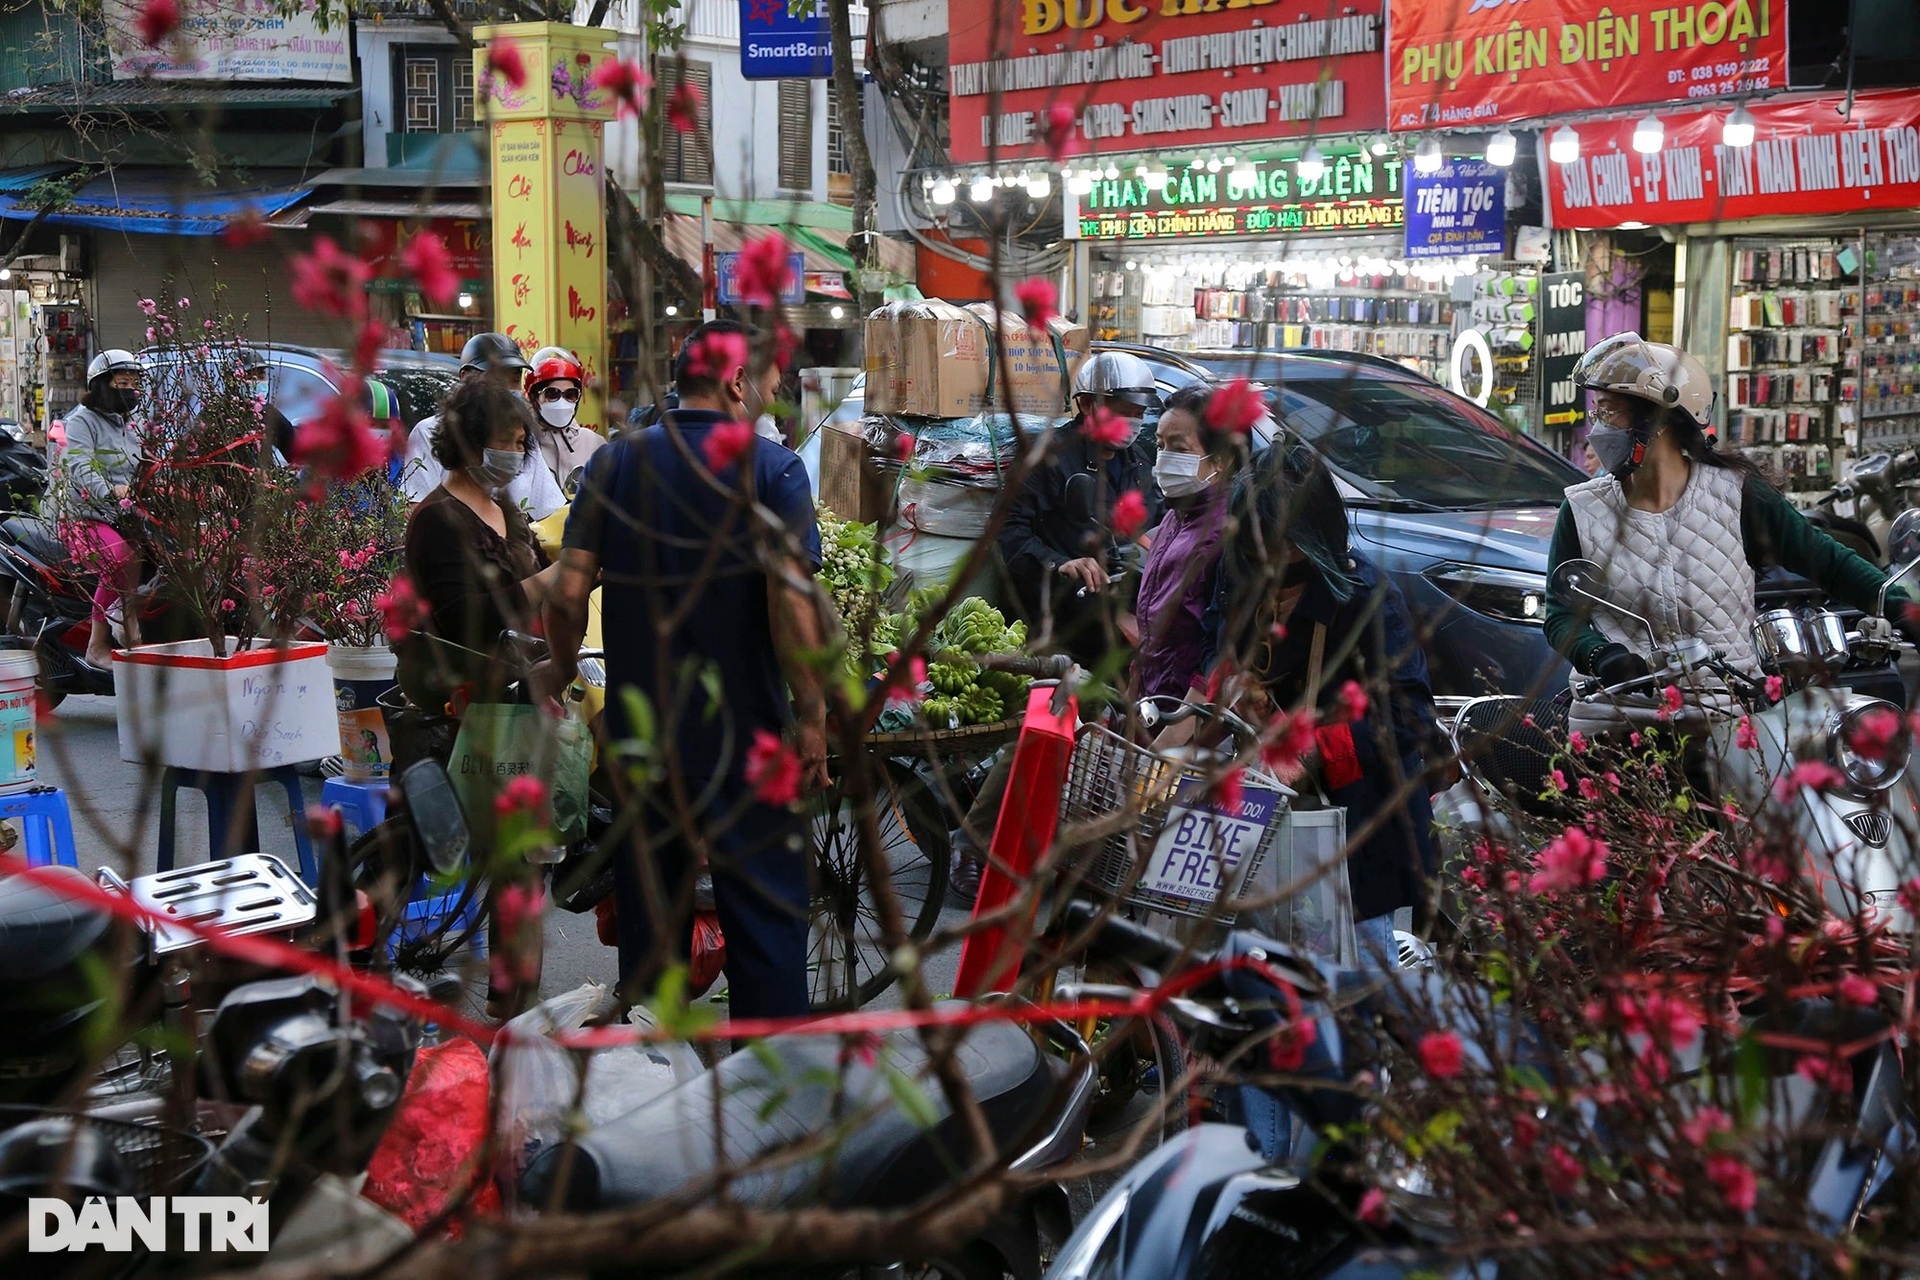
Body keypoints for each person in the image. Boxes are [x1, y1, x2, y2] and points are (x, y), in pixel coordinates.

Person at [542, 319, 828, 1021]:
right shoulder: (770, 469)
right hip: (748, 741)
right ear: (735, 381)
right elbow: (790, 605)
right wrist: (814, 715)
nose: (769, 395)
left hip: (644, 741)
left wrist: (556, 672)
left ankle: (648, 1091)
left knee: (649, 925)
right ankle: (768, 1091)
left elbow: (569, 591)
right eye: (766, 382)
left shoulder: (613, 464)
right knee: (765, 925)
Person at [1544, 334, 1918, 687]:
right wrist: (1600, 656)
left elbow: (1831, 564)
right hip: (1617, 714)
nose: (1597, 429)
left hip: (1727, 709)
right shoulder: (1581, 508)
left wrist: (1903, 611)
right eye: (1598, 413)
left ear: (1656, 419)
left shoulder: (1737, 494)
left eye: (1609, 412)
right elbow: (1560, 616)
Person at [1212, 441, 1443, 967]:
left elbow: (1410, 717)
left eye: (1285, 551)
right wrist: (1231, 677)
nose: (1271, 568)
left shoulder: (1367, 600)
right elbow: (1214, 638)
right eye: (1257, 549)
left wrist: (1314, 746)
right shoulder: (1240, 574)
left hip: (1356, 825)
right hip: (1266, 811)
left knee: (1357, 973)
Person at [396, 378, 557, 715]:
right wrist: (554, 577)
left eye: (519, 443)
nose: (513, 454)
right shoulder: (437, 519)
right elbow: (464, 620)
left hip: (525, 693)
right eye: (503, 442)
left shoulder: (507, 513)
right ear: (466, 442)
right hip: (470, 705)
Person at [997, 349, 1160, 668]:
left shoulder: (1139, 459)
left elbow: (1154, 522)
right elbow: (1010, 530)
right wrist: (1060, 564)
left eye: (1138, 412)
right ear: (1087, 404)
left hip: (1126, 604)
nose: (1133, 421)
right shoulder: (1049, 456)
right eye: (1121, 409)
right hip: (1063, 616)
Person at [1132, 383, 1247, 702]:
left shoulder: (1226, 533)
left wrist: (1180, 726)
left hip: (1188, 718)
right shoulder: (1175, 514)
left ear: (1221, 458)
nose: (1164, 458)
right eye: (1160, 445)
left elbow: (1223, 651)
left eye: (1179, 449)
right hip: (1152, 702)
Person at [400, 333, 568, 520]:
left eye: (514, 379)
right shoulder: (429, 432)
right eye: (497, 378)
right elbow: (417, 510)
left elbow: (549, 511)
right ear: (465, 378)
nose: (506, 388)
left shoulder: (522, 434)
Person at [57, 350, 145, 669]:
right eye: (123, 382)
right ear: (102, 385)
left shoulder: (134, 424)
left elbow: (149, 465)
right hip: (85, 517)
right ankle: (97, 645)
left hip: (124, 516)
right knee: (121, 559)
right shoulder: (82, 421)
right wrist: (109, 490)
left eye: (135, 383)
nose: (131, 389)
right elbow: (81, 463)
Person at [524, 346, 604, 495]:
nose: (562, 401)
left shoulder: (594, 443)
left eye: (571, 394)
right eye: (552, 393)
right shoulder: (523, 443)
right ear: (534, 397)